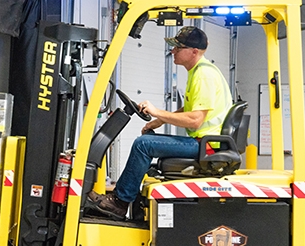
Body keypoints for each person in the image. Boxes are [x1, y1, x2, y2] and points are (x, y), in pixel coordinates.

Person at [86, 26, 232, 220]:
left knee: (143, 145)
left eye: (178, 48)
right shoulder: (198, 71)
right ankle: (130, 197)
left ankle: (120, 203)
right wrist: (159, 120)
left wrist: (157, 111)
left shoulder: (203, 75)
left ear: (194, 52)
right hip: (204, 143)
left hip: (207, 146)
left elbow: (195, 120)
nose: (173, 51)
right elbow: (191, 109)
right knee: (148, 139)